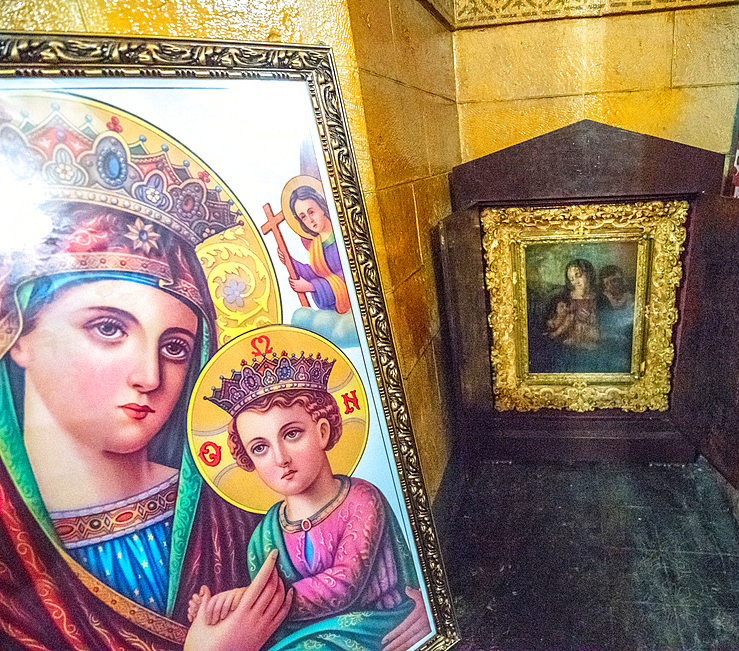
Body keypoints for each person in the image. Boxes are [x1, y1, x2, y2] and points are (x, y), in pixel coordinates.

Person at [0, 103, 427, 651]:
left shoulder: (226, 508)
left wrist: (416, 603)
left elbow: (351, 583)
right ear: (20, 333)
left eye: (176, 347)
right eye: (108, 327)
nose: (150, 376)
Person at [193, 351, 422, 650]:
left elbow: (343, 586)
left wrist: (243, 601)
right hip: (302, 637)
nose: (280, 458)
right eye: (260, 448)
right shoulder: (264, 535)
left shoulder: (362, 500)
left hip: (377, 629)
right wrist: (220, 613)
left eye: (292, 434)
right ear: (248, 460)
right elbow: (271, 624)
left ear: (322, 431)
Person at [278, 186, 351, 314]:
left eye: (311, 212)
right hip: (334, 312)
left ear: (322, 207)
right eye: (303, 217)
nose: (310, 220)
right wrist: (290, 262)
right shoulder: (317, 246)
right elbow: (319, 273)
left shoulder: (343, 235)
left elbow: (347, 277)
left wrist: (312, 287)